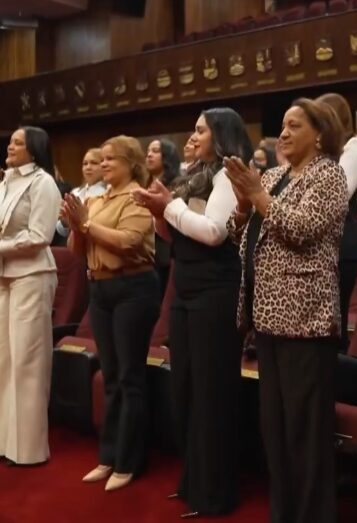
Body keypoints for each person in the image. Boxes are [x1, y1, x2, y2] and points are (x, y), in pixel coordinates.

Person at [225, 97, 348, 523]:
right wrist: (244, 207)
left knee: (306, 435)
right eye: (283, 125)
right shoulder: (275, 175)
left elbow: (301, 230)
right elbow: (239, 236)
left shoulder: (328, 175)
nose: (285, 133)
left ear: (319, 134)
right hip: (267, 319)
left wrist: (257, 195)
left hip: (306, 319)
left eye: (295, 125)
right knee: (274, 431)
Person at [131, 107, 253, 517]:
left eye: (200, 130)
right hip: (186, 289)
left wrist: (169, 208)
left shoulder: (227, 174)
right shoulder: (193, 175)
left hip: (215, 293)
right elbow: (176, 231)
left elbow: (215, 232)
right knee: (184, 389)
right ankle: (193, 479)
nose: (193, 135)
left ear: (221, 136)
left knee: (211, 393)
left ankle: (215, 491)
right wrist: (158, 212)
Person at [64, 135, 160, 491]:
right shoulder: (98, 198)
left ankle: (130, 460)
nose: (103, 164)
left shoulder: (137, 196)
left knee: (129, 375)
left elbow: (128, 242)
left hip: (132, 289)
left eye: (110, 159)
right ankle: (109, 455)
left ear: (131, 163)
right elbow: (77, 251)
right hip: (100, 288)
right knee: (110, 375)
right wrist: (77, 225)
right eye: (100, 159)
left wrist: (86, 224)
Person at [0, 126, 61, 465]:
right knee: (4, 360)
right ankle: (5, 442)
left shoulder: (44, 183)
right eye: (10, 141)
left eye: (18, 143)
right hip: (4, 274)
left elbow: (40, 235)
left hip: (33, 274)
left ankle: (29, 451)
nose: (10, 146)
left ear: (35, 149)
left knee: (27, 362)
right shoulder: (6, 181)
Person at [316, 92, 357, 352]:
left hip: (340, 245)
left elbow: (339, 192)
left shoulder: (354, 145)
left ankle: (338, 383)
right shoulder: (319, 150)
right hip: (317, 243)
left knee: (334, 323)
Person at [145, 138, 181, 298]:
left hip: (166, 255)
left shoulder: (178, 184)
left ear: (168, 155)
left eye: (155, 151)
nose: (149, 155)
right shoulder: (144, 184)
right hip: (147, 256)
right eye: (147, 152)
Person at [55, 148, 106, 244]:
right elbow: (62, 231)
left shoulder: (107, 192)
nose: (88, 167)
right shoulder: (75, 192)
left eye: (94, 163)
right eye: (85, 164)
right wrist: (65, 221)